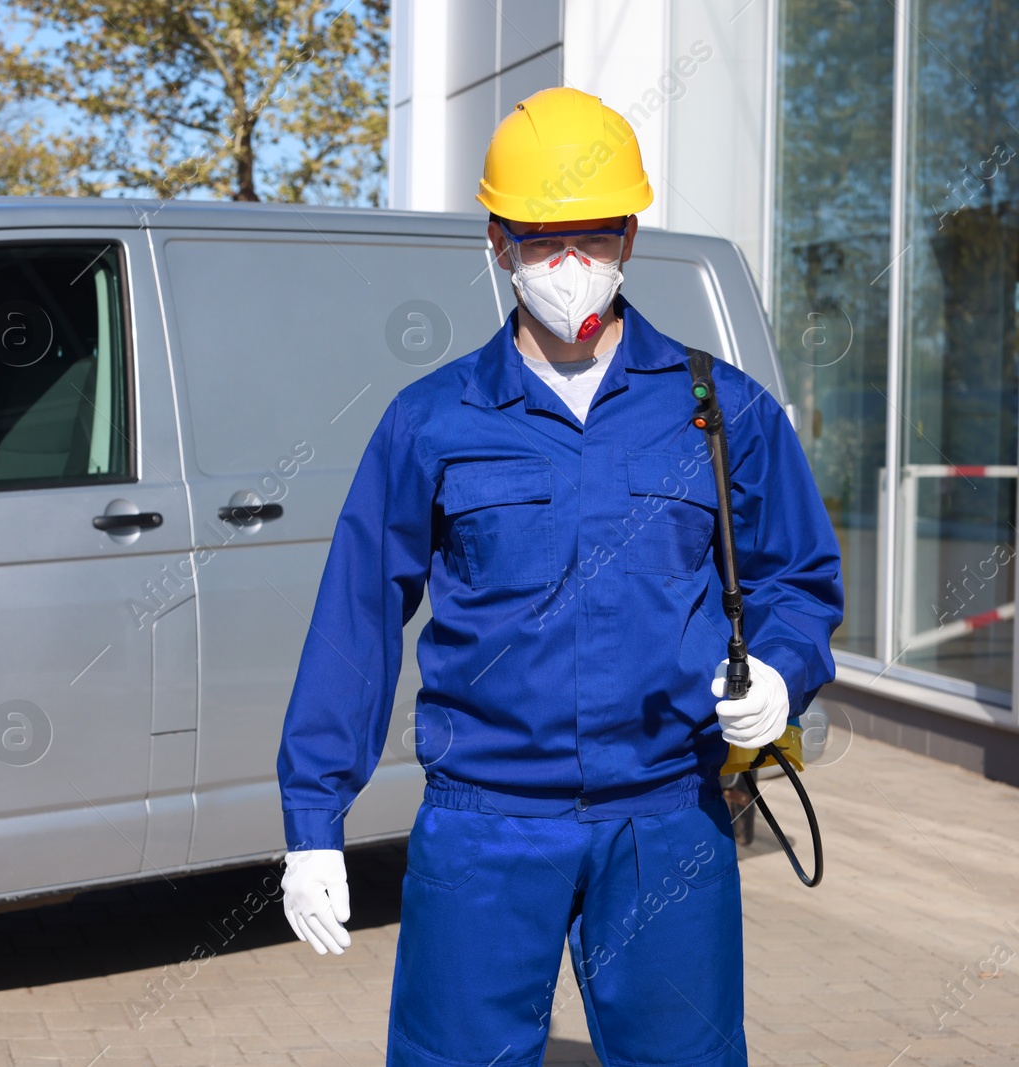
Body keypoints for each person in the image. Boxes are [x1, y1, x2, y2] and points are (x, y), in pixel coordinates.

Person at [274, 87, 844, 1067]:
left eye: (592, 235)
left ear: (629, 234)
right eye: (543, 240)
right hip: (484, 821)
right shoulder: (433, 418)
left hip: (666, 816)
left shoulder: (719, 409)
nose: (570, 265)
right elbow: (358, 615)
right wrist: (313, 819)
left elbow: (797, 573)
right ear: (497, 243)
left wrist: (784, 671)